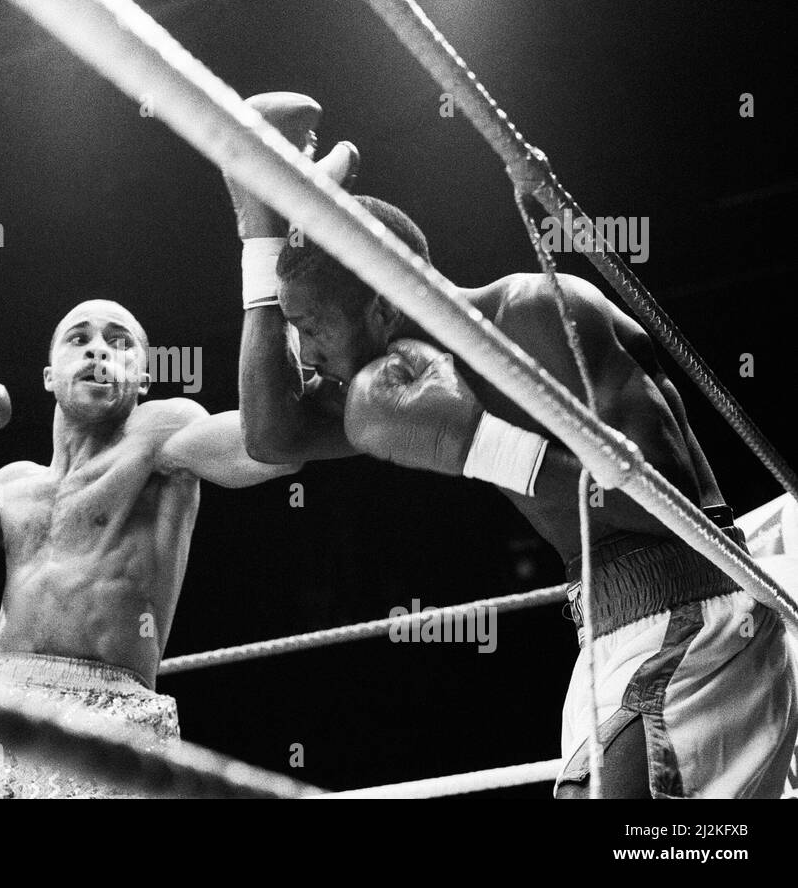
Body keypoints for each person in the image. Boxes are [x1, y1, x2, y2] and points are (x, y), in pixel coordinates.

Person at [226, 91, 797, 798]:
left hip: (694, 609)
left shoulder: (537, 315)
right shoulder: (402, 383)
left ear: (381, 306)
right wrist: (260, 235)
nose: (306, 358)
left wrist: (476, 444)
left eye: (310, 328)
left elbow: (669, 511)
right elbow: (270, 433)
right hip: (618, 629)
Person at [0, 298, 299, 797]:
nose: (98, 350)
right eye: (79, 338)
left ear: (143, 379)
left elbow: (273, 448)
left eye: (119, 342)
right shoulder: (11, 486)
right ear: (50, 376)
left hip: (108, 717)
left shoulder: (162, 434)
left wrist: (273, 299)